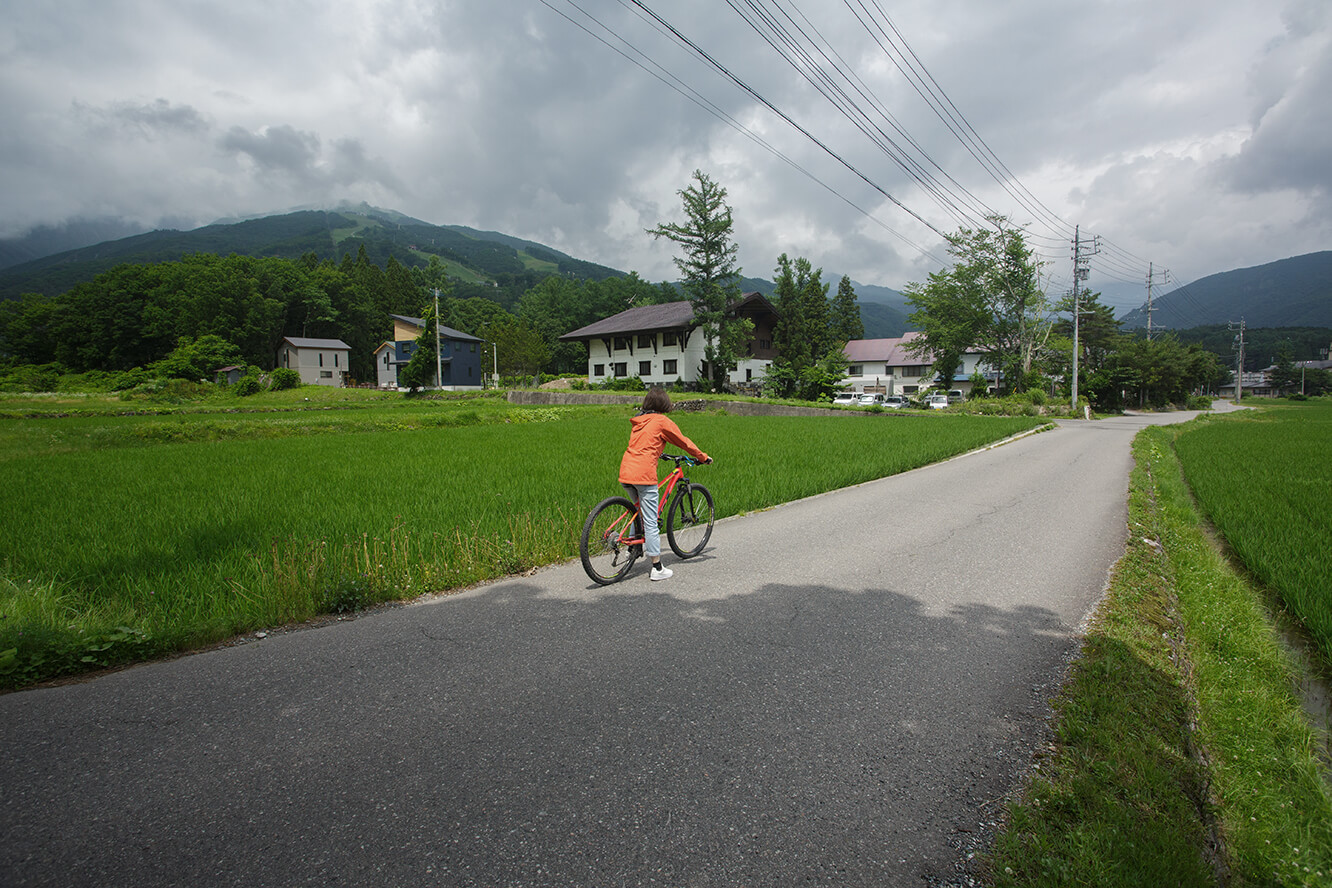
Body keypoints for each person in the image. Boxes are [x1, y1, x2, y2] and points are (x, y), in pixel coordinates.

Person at [619, 386, 710, 581]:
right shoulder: (661, 421)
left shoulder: (639, 421)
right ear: (664, 404)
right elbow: (683, 442)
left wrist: (659, 453)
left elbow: (644, 445)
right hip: (643, 475)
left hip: (626, 472)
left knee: (638, 512)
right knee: (651, 521)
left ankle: (632, 549)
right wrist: (702, 457)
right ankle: (657, 568)